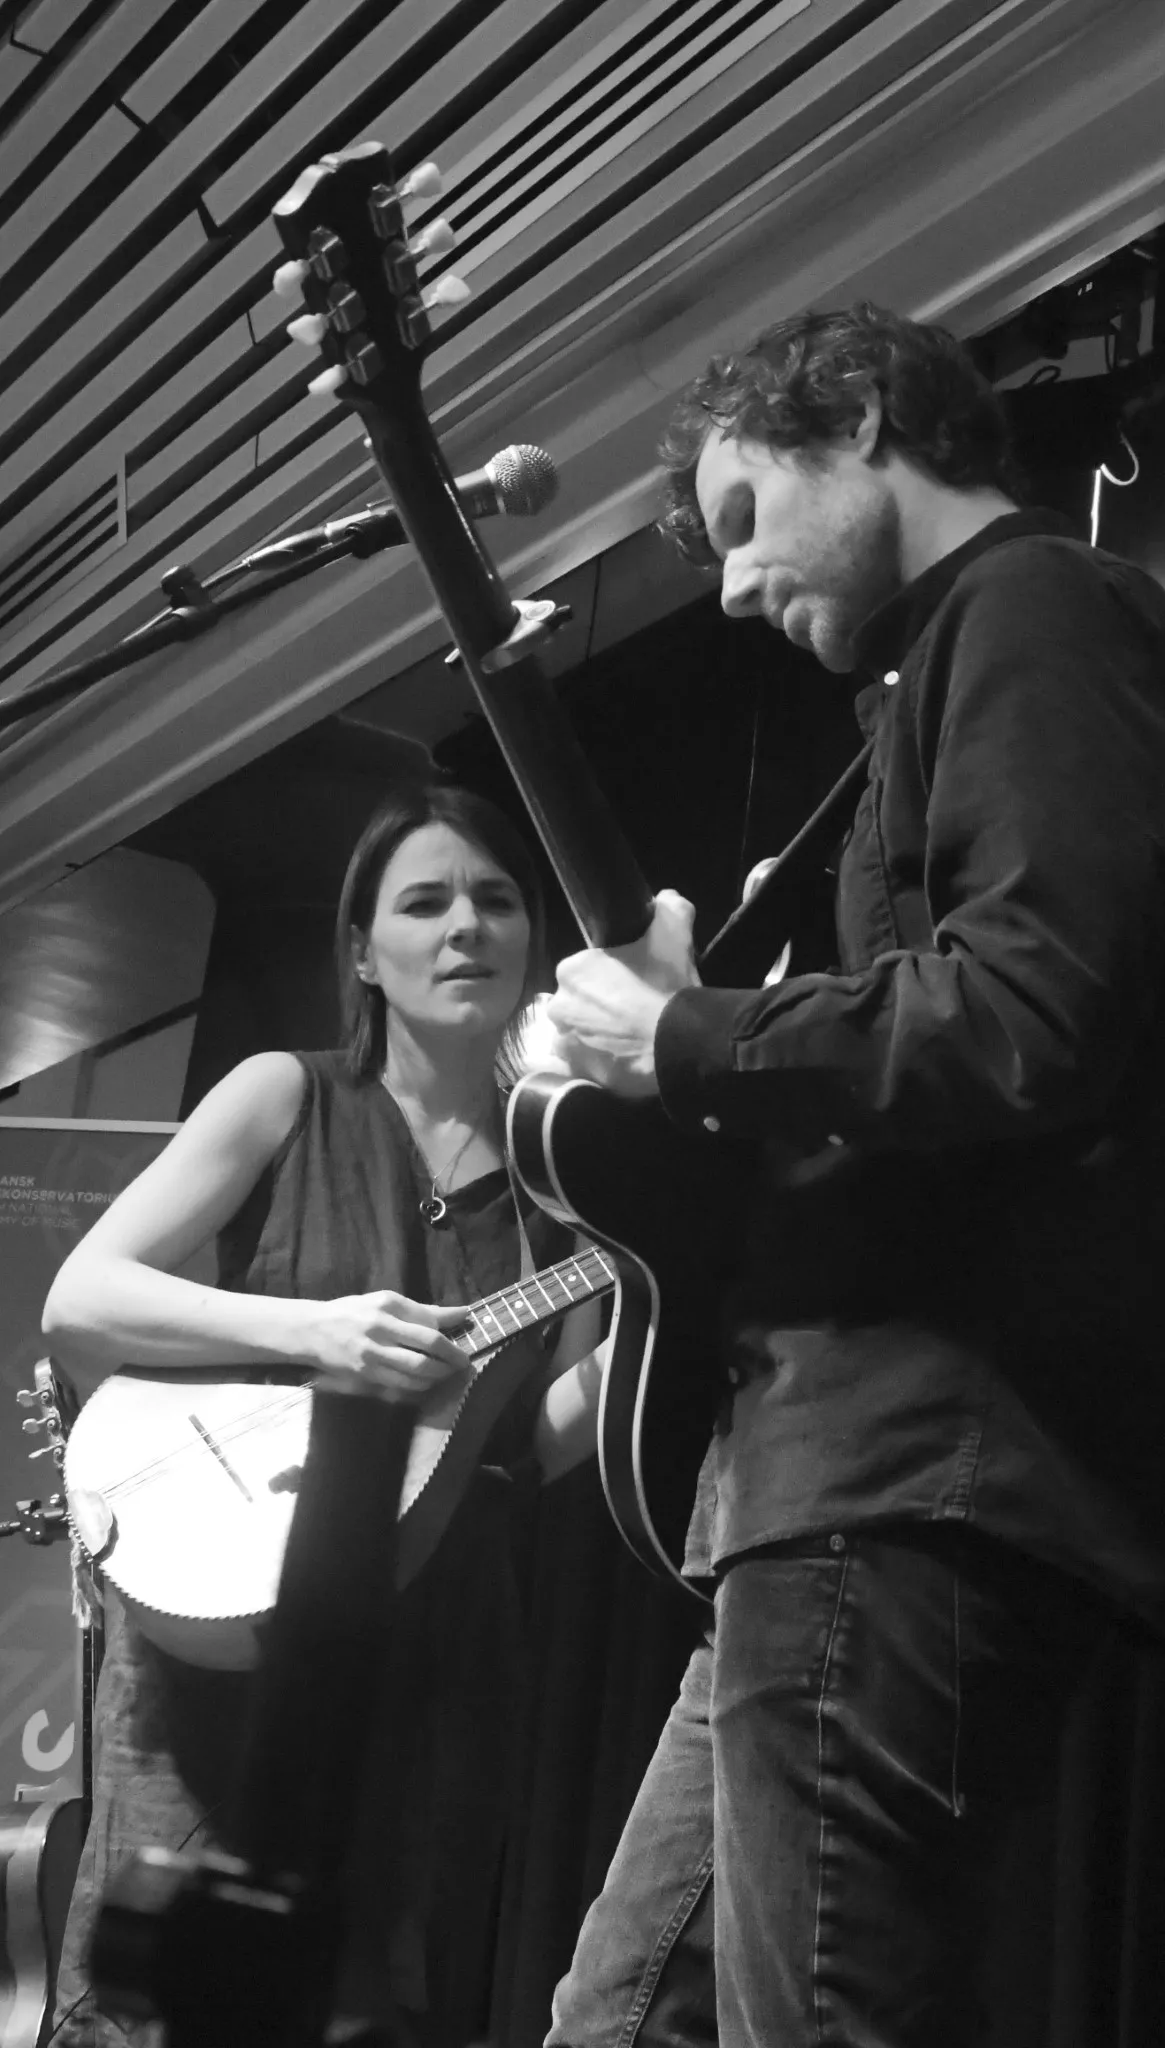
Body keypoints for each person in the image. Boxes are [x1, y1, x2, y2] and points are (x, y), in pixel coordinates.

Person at [539, 304, 1165, 2045]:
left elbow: (1026, 1012)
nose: (729, 587)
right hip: (835, 1483)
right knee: (616, 2022)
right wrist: (708, 1022)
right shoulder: (951, 670)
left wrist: (689, 1036)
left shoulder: (1034, 608)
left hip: (909, 1471)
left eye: (739, 519)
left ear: (860, 415)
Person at [42, 781, 607, 2048]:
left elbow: (537, 1444)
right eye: (425, 900)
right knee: (157, 2004)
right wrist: (315, 1331)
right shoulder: (281, 1094)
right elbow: (83, 1299)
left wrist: (665, 1305)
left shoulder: (567, 1188)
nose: (466, 925)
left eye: (496, 898)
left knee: (372, 2008)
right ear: (362, 950)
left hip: (442, 1647)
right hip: (226, 1611)